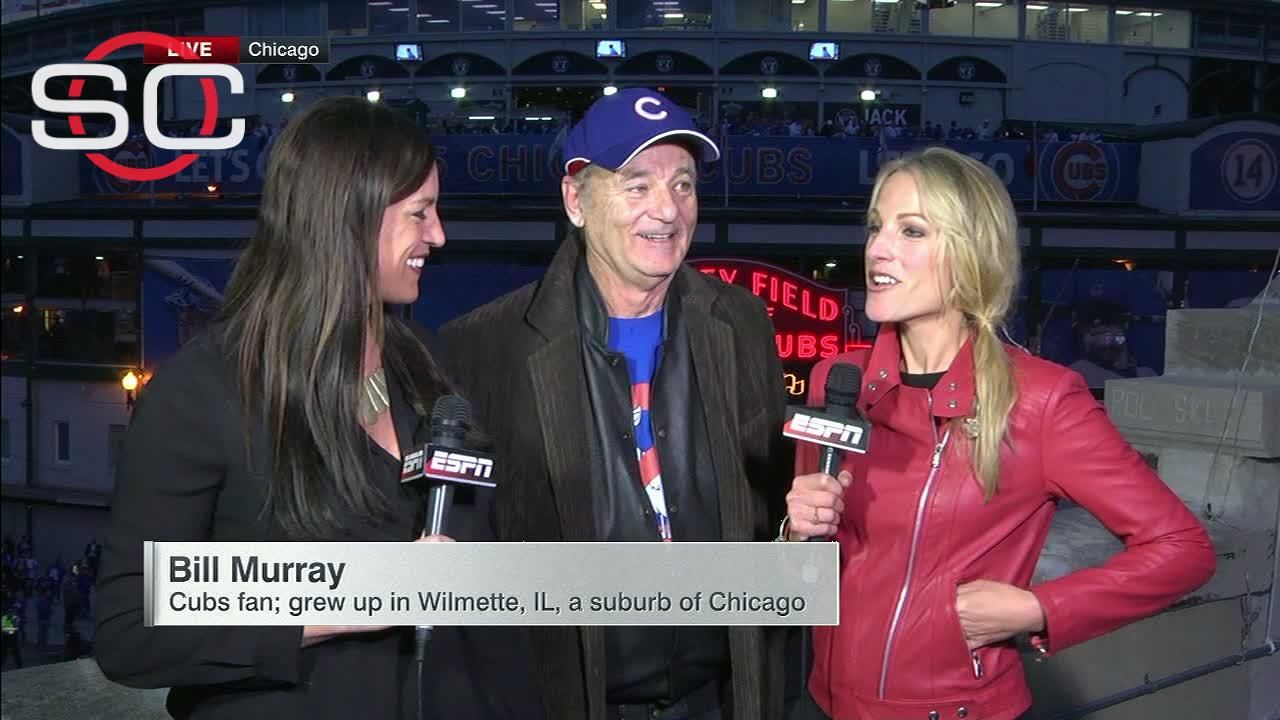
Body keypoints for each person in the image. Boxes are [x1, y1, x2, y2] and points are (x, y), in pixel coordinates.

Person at [95, 96, 538, 720]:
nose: (438, 235)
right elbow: (129, 629)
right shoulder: (203, 392)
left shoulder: (425, 368)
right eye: (420, 213)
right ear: (349, 222)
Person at [782, 146, 1216, 720]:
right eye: (875, 227)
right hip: (821, 705)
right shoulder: (835, 381)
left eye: (912, 231)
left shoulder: (1041, 401)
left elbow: (1183, 550)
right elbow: (808, 582)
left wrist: (1039, 609)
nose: (877, 248)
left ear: (971, 255)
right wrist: (795, 533)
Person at [439, 88, 792, 720]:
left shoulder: (739, 324)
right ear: (576, 199)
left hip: (718, 699)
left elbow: (769, 515)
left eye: (684, 185)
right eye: (637, 185)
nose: (667, 209)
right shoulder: (483, 347)